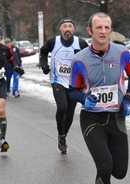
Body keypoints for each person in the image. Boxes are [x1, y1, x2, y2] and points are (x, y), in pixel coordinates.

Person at [69, 12, 130, 184]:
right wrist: (84, 98)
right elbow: (72, 91)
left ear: (111, 30)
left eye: (106, 28)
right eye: (98, 28)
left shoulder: (122, 53)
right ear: (90, 31)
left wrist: (128, 97)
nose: (102, 32)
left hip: (116, 118)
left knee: (119, 172)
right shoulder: (79, 59)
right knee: (104, 165)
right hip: (92, 119)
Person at [40, 18, 89, 154]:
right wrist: (44, 65)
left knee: (70, 112)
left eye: (70, 26)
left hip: (74, 82)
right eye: (64, 26)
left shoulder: (81, 43)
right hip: (58, 80)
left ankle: (62, 137)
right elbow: (43, 51)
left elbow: (89, 57)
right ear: (60, 29)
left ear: (73, 29)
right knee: (62, 107)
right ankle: (61, 133)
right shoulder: (53, 42)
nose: (67, 29)